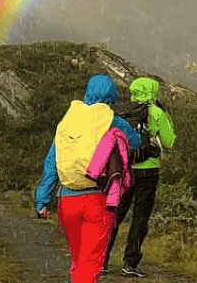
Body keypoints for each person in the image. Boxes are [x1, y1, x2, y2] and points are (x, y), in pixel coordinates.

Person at [34, 73, 142, 283]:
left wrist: (42, 200)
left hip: (67, 200)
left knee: (78, 260)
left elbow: (52, 163)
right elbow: (136, 142)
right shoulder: (113, 120)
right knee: (91, 262)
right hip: (98, 200)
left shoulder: (68, 121)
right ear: (111, 94)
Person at [110, 76, 176, 278]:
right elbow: (169, 141)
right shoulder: (156, 112)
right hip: (148, 170)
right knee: (140, 217)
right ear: (152, 91)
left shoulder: (123, 111)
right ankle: (130, 263)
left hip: (124, 168)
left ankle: (100, 258)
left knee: (116, 214)